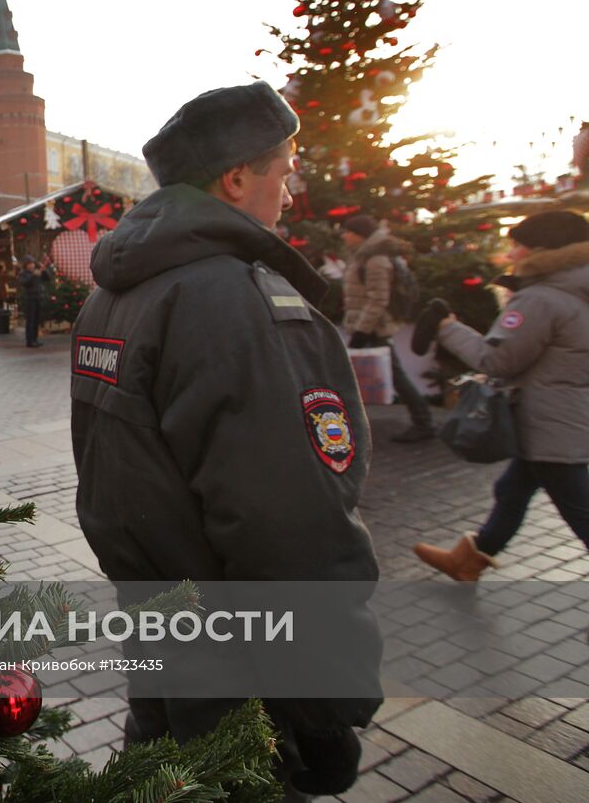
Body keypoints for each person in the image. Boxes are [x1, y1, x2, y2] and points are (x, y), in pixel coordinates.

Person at [71, 82, 381, 799]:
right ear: (238, 178)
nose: (290, 185)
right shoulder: (234, 299)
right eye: (283, 167)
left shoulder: (115, 291)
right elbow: (289, 519)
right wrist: (327, 704)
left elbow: (107, 474)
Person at [412, 210, 589, 580]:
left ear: (545, 250)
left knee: (579, 509)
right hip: (564, 415)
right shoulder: (577, 290)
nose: (510, 256)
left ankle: (469, 560)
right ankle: (469, 560)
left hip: (550, 423)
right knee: (512, 488)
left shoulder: (541, 299)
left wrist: (447, 328)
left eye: (518, 247)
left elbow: (497, 359)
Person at [340, 214, 435, 442]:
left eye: (348, 232)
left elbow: (378, 299)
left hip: (374, 328)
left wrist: (362, 330)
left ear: (359, 235)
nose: (344, 236)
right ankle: (421, 420)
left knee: (393, 374)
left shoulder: (375, 260)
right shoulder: (365, 256)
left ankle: (423, 422)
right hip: (369, 326)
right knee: (383, 373)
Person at [15, 256, 53, 347]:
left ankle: (35, 339)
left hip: (38, 298)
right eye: (29, 264)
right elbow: (25, 283)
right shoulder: (23, 273)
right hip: (30, 299)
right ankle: (29, 340)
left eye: (32, 263)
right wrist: (33, 275)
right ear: (26, 265)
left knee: (37, 320)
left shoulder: (37, 272)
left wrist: (44, 270)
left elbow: (48, 278)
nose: (31, 265)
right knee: (30, 321)